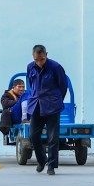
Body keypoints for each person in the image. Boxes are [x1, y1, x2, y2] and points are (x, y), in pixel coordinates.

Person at [26, 44, 67, 175]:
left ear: (46, 55)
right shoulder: (30, 67)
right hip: (36, 105)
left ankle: (51, 166)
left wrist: (55, 100)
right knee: (33, 135)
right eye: (36, 59)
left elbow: (63, 86)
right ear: (33, 57)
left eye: (42, 59)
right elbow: (31, 84)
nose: (39, 62)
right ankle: (41, 160)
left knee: (52, 137)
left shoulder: (56, 67)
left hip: (52, 106)